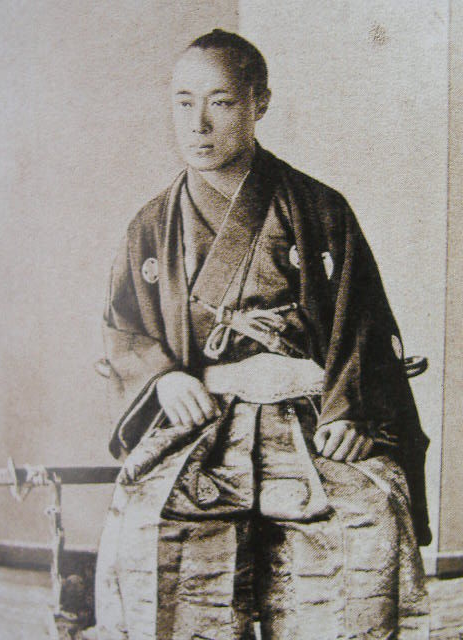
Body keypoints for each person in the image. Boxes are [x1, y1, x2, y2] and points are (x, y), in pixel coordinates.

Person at [94, 29, 431, 640]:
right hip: (203, 421)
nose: (198, 124)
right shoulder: (151, 223)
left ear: (260, 103)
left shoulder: (320, 209)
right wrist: (164, 379)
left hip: (312, 418)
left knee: (367, 517)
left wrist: (350, 412)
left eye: (220, 102)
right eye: (183, 102)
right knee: (149, 523)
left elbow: (364, 325)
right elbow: (124, 328)